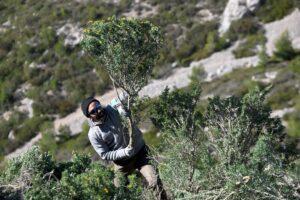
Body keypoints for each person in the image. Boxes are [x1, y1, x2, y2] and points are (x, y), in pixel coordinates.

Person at [81, 94, 167, 199]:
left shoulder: (111, 108)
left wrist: (122, 105)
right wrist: (124, 152)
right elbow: (105, 154)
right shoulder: (93, 133)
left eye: (98, 107)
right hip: (122, 163)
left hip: (140, 152)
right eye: (93, 111)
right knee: (119, 192)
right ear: (89, 116)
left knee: (155, 180)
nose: (98, 111)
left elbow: (125, 94)